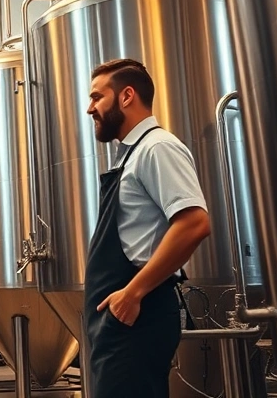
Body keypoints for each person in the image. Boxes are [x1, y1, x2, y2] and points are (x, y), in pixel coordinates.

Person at [82, 58, 212, 398]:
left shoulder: (157, 147)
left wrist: (133, 292)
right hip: (119, 321)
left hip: (137, 316)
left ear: (126, 96)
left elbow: (194, 223)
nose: (89, 108)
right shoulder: (130, 155)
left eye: (97, 97)